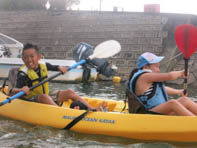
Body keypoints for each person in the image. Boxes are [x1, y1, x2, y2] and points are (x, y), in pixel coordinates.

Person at [10, 43, 106, 111]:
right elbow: (13, 91)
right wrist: (21, 90)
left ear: (39, 57)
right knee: (44, 97)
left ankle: (93, 109)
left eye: (32, 56)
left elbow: (54, 67)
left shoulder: (43, 65)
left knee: (69, 92)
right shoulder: (23, 73)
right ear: (23, 59)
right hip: (31, 100)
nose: (29, 60)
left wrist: (60, 68)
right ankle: (62, 114)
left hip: (45, 96)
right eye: (26, 57)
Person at [128, 52, 197, 116]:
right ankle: (194, 122)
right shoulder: (144, 76)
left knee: (184, 100)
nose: (158, 70)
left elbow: (162, 89)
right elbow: (170, 76)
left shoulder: (148, 78)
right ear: (146, 66)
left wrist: (178, 91)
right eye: (156, 66)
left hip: (158, 110)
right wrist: (181, 73)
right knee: (172, 103)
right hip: (147, 112)